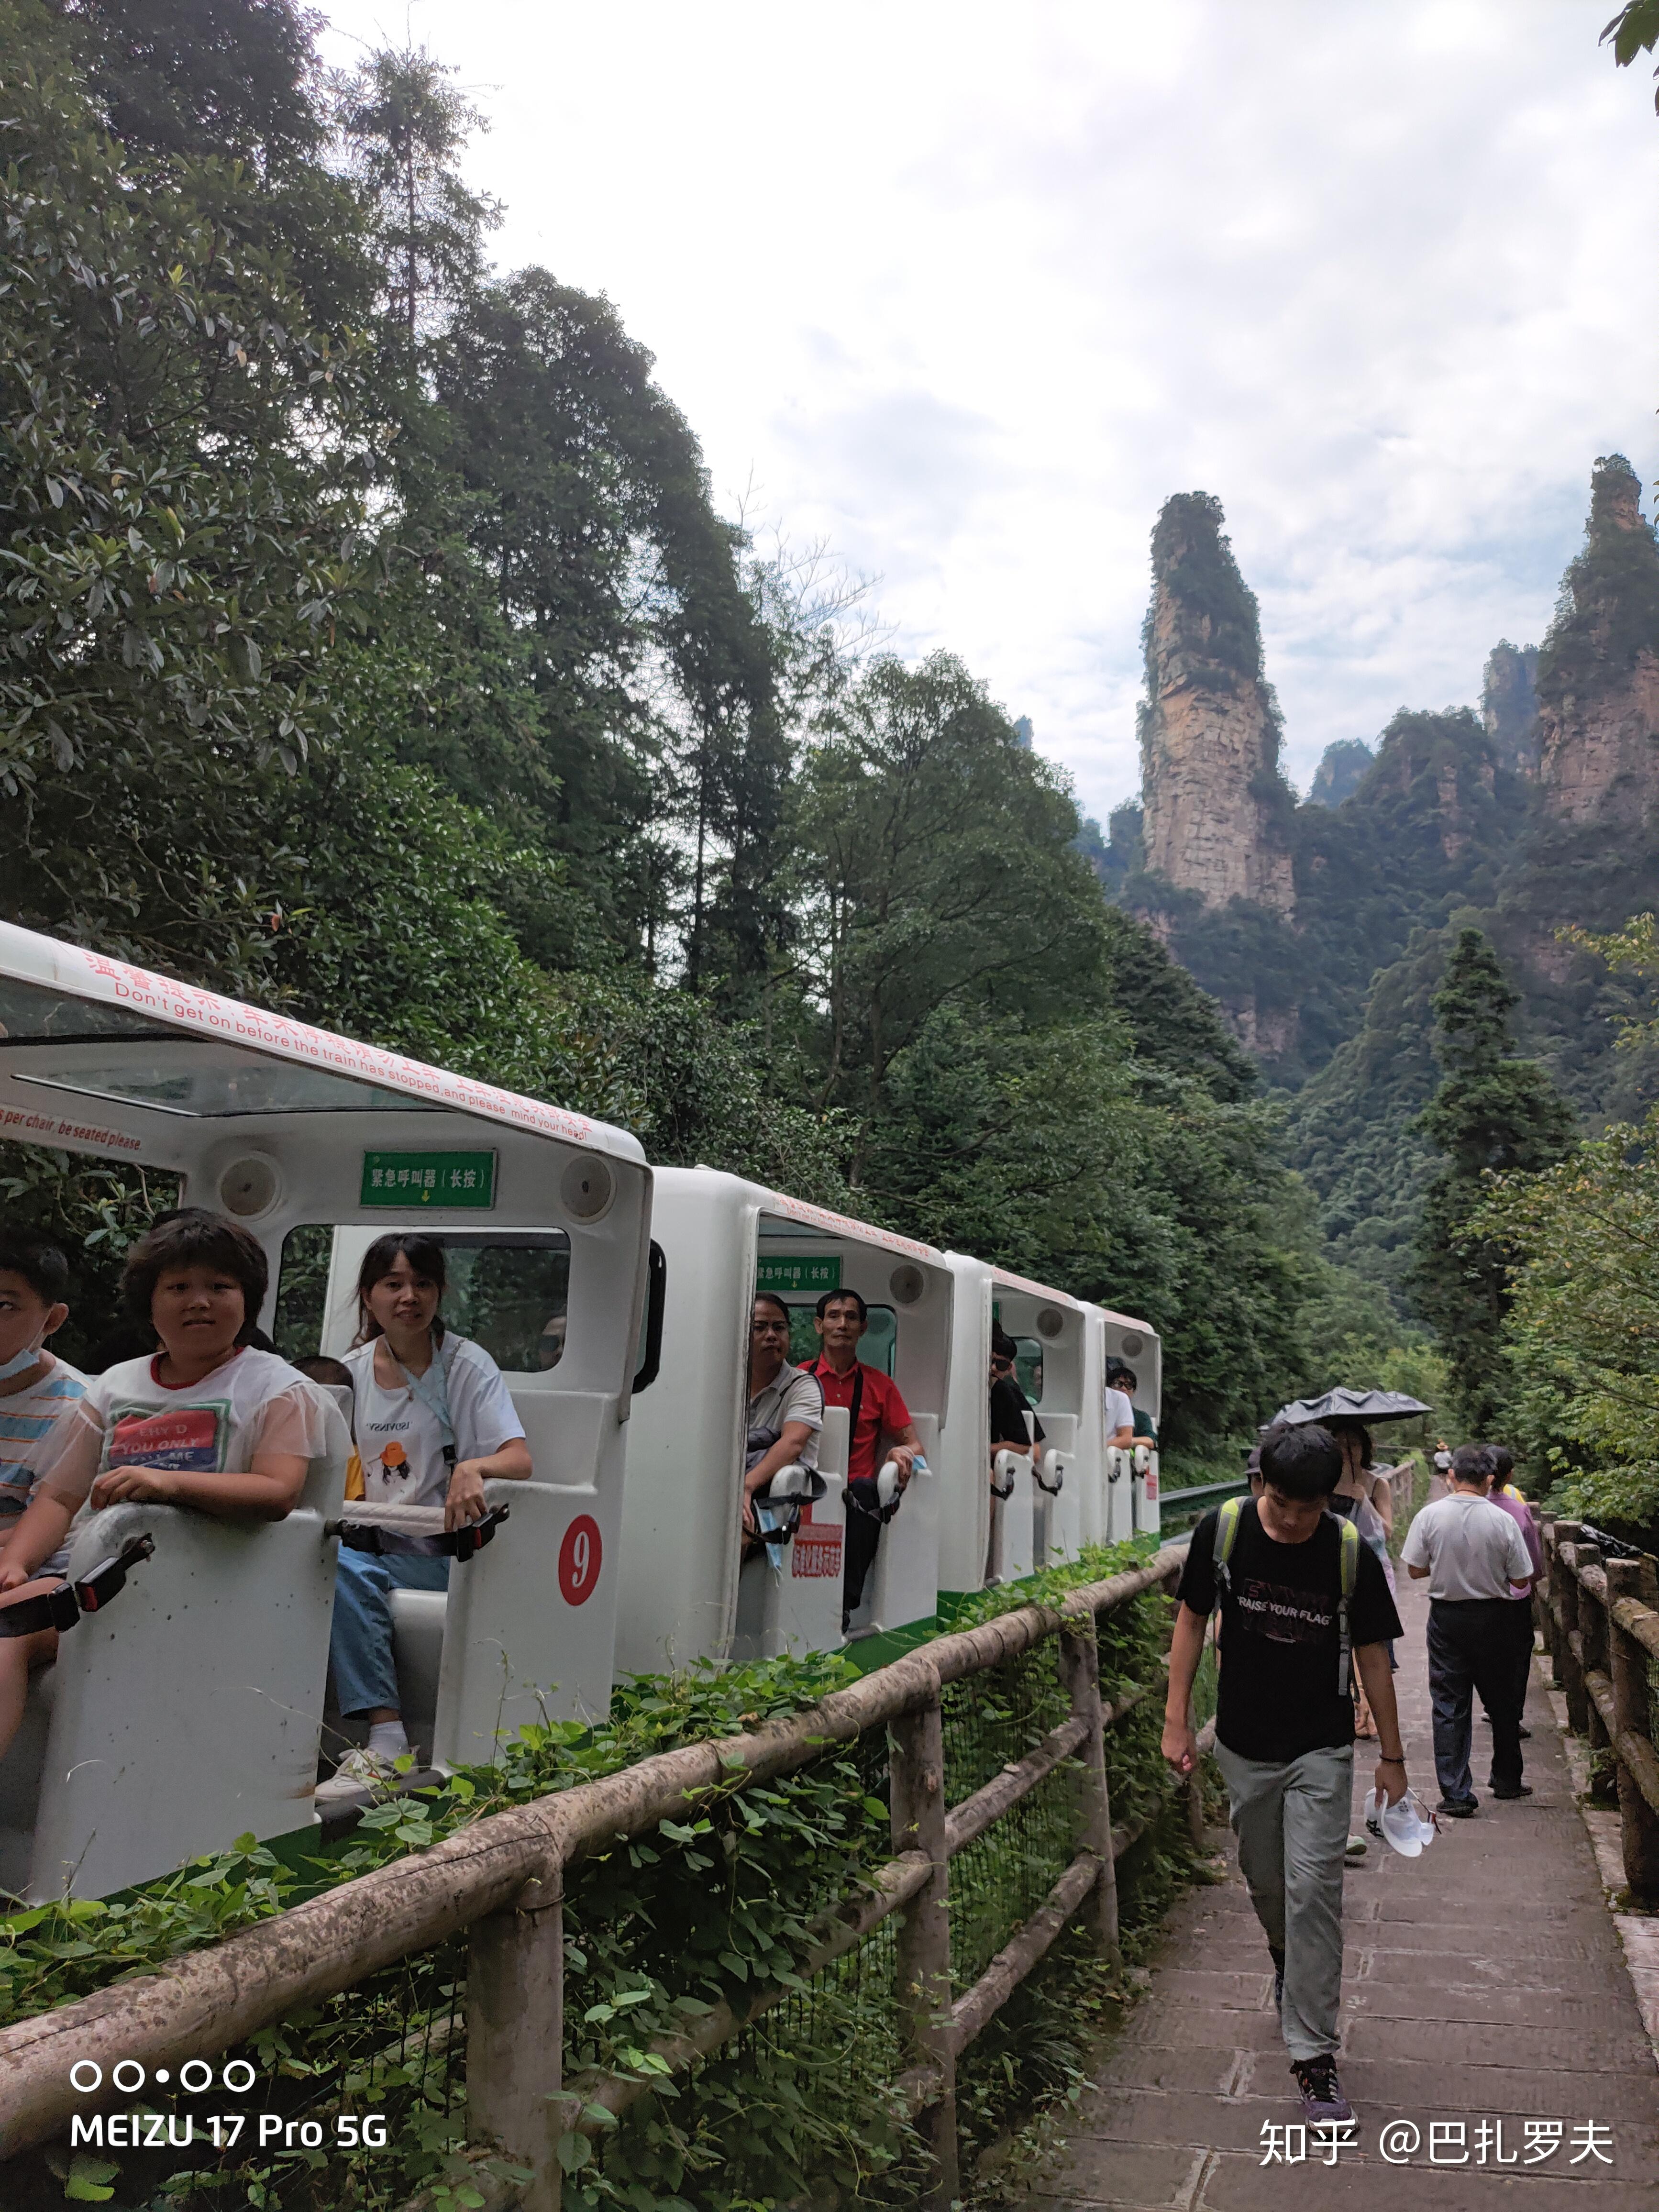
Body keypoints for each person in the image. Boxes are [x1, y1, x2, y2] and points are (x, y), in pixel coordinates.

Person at [0, 1209, 330, 1768]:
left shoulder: (279, 1388)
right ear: (150, 1303)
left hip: (210, 1587)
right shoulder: (115, 1387)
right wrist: (16, 1562)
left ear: (248, 1299)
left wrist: (167, 1483)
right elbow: (59, 1496)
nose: (198, 1301)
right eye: (178, 1287)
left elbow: (279, 1491)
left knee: (8, 1632)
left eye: (219, 1287)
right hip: (98, 1581)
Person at [1163, 1422, 1405, 2126]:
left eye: (1311, 1507)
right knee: (1269, 1882)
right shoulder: (1227, 1529)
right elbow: (1189, 1620)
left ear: (1330, 1497)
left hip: (1320, 1746)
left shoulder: (1347, 1549)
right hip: (1243, 1742)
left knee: (1314, 1893)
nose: (1297, 1520)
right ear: (1260, 1484)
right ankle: (1284, 1958)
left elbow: (1373, 1656)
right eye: (1284, 1503)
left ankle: (1315, 2059)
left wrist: (1392, 1758)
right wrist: (1176, 1719)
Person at [320, 1235, 532, 1801]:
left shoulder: (466, 1365)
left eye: (422, 1283)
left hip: (438, 1556)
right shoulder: (349, 1372)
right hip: (367, 1543)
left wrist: (474, 1469)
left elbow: (519, 1457)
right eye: (392, 1284)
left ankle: (387, 1739)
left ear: (440, 1292)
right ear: (369, 1296)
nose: (408, 1297)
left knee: (343, 1567)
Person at [1401, 1443, 1535, 1815]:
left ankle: (1457, 1792)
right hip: (1494, 1617)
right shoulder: (1503, 1519)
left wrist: (1443, 1567)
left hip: (1447, 1617)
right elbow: (1522, 1576)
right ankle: (1507, 1778)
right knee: (1503, 1701)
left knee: (1449, 1703)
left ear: (1451, 1476)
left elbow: (1413, 1569)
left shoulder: (1430, 1516)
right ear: (1490, 1479)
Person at [0, 1232, 88, 1761]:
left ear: (52, 1320)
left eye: (4, 1305)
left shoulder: (78, 1410)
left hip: (46, 1576)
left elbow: (47, 1523)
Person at [801, 1288, 918, 1625]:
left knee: (868, 1492)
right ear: (818, 1325)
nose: (842, 1324)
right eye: (834, 1317)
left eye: (851, 1317)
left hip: (856, 1495)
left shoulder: (880, 1385)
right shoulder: (798, 1378)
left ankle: (844, 1608)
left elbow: (916, 1443)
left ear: (863, 1328)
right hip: (806, 1485)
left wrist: (901, 1451)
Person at [743, 1292, 823, 1546]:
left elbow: (793, 1444)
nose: (771, 1335)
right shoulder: (726, 1382)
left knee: (736, 1524)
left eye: (779, 1327)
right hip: (726, 1488)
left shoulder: (803, 1386)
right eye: (759, 1328)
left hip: (779, 1500)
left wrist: (745, 1488)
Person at [1480, 1444, 1540, 1744]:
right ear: (1510, 1474)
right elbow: (1533, 1559)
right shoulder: (1519, 1509)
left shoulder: (1473, 1509)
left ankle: (1493, 1707)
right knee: (1518, 1658)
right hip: (1516, 1598)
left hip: (1482, 1597)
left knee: (1490, 1657)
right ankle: (1511, 1715)